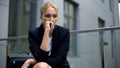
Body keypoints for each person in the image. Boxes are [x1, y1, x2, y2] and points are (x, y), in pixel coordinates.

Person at [21, 1, 70, 68]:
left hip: (60, 66)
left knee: (41, 65)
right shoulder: (33, 34)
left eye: (54, 16)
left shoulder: (64, 32)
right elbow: (40, 57)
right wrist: (46, 32)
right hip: (42, 66)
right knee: (41, 65)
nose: (51, 19)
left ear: (57, 18)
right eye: (47, 16)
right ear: (41, 16)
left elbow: (60, 59)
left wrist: (30, 61)